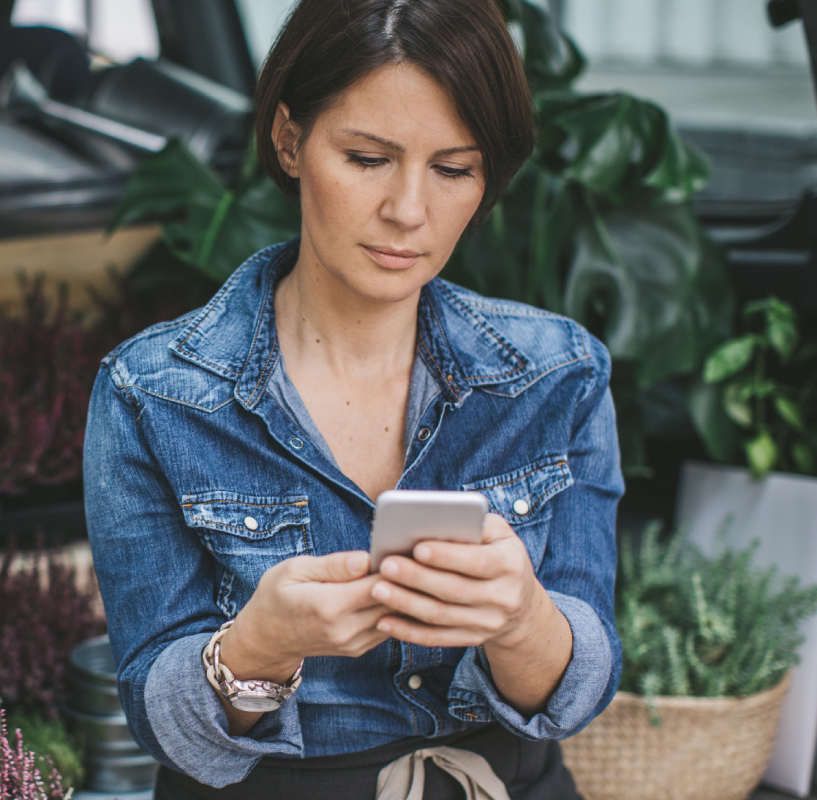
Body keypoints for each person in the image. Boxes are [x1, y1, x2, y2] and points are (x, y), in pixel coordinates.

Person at [82, 0, 622, 797]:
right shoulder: (155, 395)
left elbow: (581, 687)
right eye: (368, 158)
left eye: (453, 169)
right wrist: (255, 651)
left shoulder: (557, 374)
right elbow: (162, 724)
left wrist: (523, 621)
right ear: (290, 139)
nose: (409, 211)